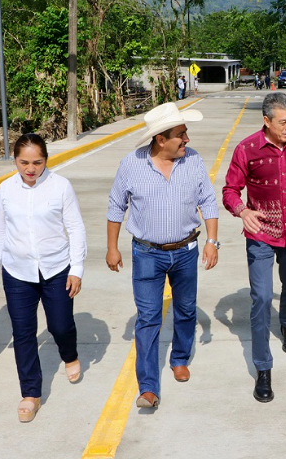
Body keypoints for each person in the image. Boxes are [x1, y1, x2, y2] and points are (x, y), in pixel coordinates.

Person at [106, 102, 219, 410]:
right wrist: (112, 247)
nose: (187, 140)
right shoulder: (131, 164)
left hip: (186, 251)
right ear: (160, 139)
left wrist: (212, 241)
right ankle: (147, 387)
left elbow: (208, 201)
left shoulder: (193, 160)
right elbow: (116, 206)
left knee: (185, 309)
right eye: (181, 134)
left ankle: (179, 358)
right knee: (148, 318)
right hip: (146, 254)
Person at [222, 92, 286, 402]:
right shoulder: (247, 149)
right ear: (266, 121)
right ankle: (263, 368)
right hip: (261, 235)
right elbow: (230, 190)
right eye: (283, 122)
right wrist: (242, 211)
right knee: (263, 297)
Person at [0, 134, 86, 423]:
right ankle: (30, 394)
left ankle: (70, 354)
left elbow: (76, 228)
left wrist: (76, 269)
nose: (30, 169)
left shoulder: (60, 186)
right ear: (15, 160)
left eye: (37, 162)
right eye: (23, 162)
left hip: (56, 269)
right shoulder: (5, 190)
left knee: (60, 326)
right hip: (17, 272)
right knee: (23, 333)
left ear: (46, 160)